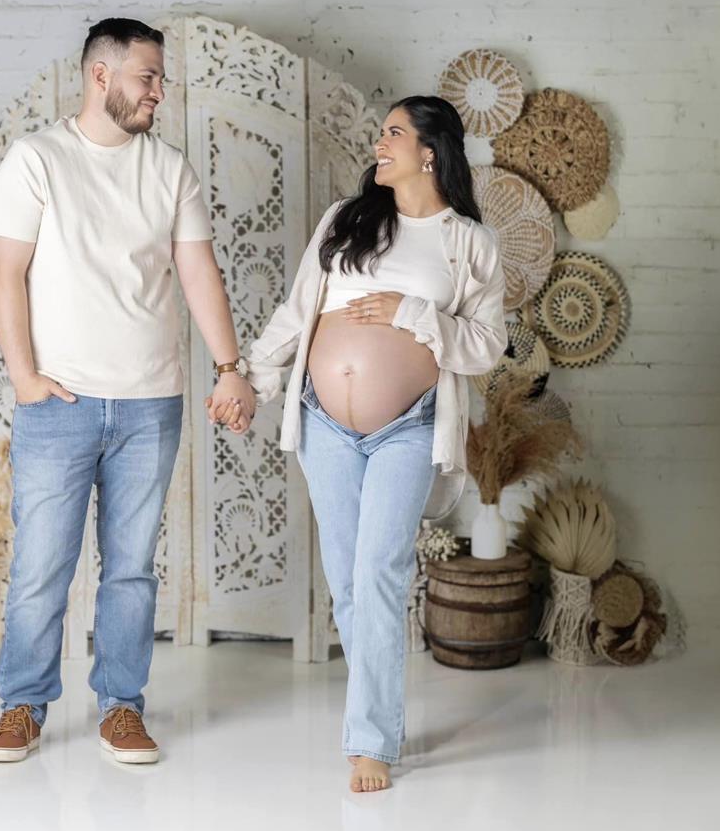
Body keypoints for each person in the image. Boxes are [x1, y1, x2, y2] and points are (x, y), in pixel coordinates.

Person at [0, 18, 255, 765]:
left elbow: (199, 274)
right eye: (148, 77)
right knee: (42, 563)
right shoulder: (36, 160)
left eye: (160, 79)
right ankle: (22, 705)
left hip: (149, 404)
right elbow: (7, 275)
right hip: (58, 404)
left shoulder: (169, 170)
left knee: (132, 567)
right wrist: (26, 377)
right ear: (101, 77)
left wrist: (231, 367)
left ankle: (123, 706)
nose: (159, 93)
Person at [217, 95, 507, 793]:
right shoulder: (347, 222)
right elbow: (297, 314)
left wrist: (413, 313)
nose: (380, 144)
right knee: (349, 584)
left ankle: (370, 741)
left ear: (429, 152)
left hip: (408, 426)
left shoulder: (468, 243)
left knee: (378, 573)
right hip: (325, 424)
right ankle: (373, 714)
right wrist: (248, 379)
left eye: (393, 134)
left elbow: (487, 347)